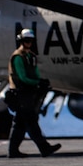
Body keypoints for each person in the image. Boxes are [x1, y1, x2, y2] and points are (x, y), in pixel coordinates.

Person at [6, 29, 61, 158]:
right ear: (21, 41)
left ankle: (13, 151)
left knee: (20, 122)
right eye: (26, 40)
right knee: (31, 121)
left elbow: (35, 73)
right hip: (20, 93)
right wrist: (37, 82)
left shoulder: (31, 56)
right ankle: (44, 148)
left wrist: (39, 82)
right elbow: (23, 77)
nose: (29, 43)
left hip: (28, 93)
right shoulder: (18, 57)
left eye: (30, 41)